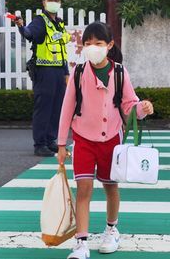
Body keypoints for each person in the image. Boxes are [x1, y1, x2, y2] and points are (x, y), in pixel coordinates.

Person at [56, 22, 154, 259]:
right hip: (83, 139)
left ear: (109, 45)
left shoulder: (120, 72)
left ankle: (111, 229)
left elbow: (129, 105)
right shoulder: (79, 72)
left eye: (98, 43)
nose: (92, 48)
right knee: (84, 188)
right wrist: (61, 144)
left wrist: (142, 108)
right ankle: (81, 243)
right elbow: (66, 109)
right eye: (87, 44)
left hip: (112, 139)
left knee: (111, 187)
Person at [13, 0, 79, 157]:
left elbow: (61, 49)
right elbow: (29, 34)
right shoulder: (40, 21)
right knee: (44, 108)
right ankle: (40, 144)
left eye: (57, 0)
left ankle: (51, 140)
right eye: (51, 0)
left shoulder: (59, 22)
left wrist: (66, 73)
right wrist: (21, 27)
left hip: (58, 71)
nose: (54, 3)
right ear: (44, 2)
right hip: (44, 71)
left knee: (56, 107)